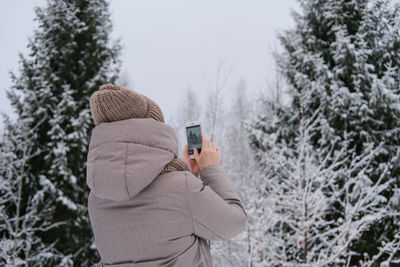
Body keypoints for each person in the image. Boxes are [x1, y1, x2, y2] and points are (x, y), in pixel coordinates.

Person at [86, 84, 247, 267]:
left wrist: (187, 177)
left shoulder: (96, 198)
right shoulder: (181, 188)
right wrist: (210, 169)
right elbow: (235, 222)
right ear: (153, 130)